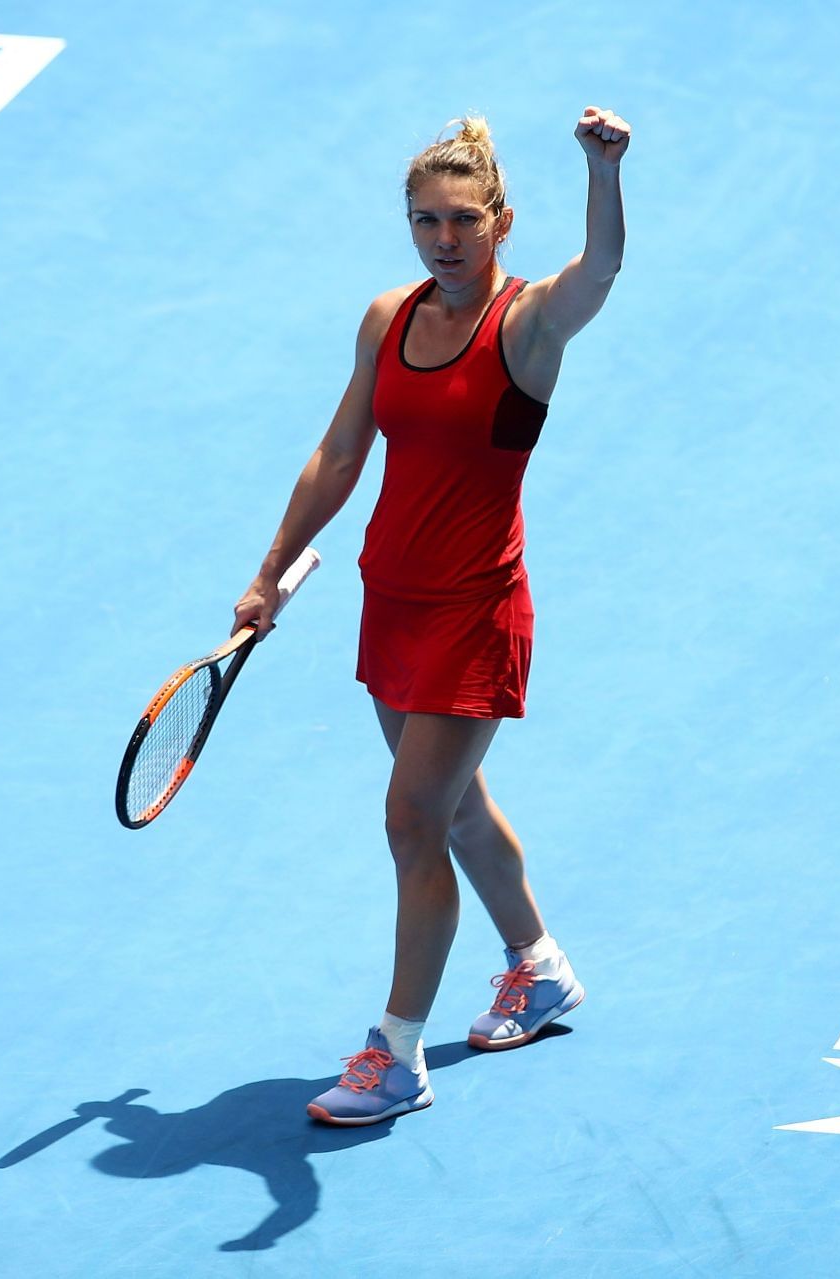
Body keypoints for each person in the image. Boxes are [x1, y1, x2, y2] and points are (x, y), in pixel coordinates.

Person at [231, 106, 631, 1125]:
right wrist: (271, 569)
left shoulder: (531, 322)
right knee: (452, 809)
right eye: (425, 221)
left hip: (474, 613)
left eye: (462, 219)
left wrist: (604, 170)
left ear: (503, 221)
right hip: (391, 604)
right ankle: (538, 966)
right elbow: (339, 453)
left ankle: (396, 1052)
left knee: (411, 819)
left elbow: (603, 267)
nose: (443, 240)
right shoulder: (388, 318)